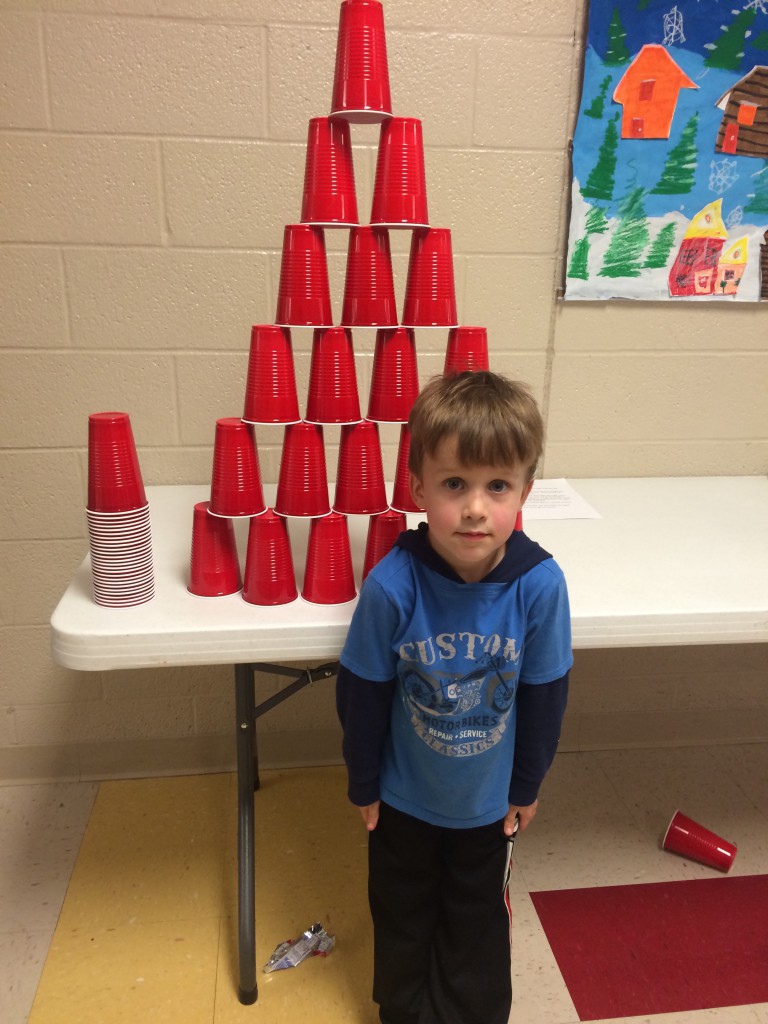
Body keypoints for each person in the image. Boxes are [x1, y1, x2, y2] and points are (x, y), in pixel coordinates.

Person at [336, 370, 572, 1024]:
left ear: (524, 491)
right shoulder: (392, 586)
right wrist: (363, 782)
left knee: (475, 921)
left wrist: (526, 786)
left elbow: (546, 698)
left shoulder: (540, 587)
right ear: (417, 488)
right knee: (403, 912)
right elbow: (361, 694)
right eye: (454, 485)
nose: (475, 508)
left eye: (497, 486)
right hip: (403, 800)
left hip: (486, 806)